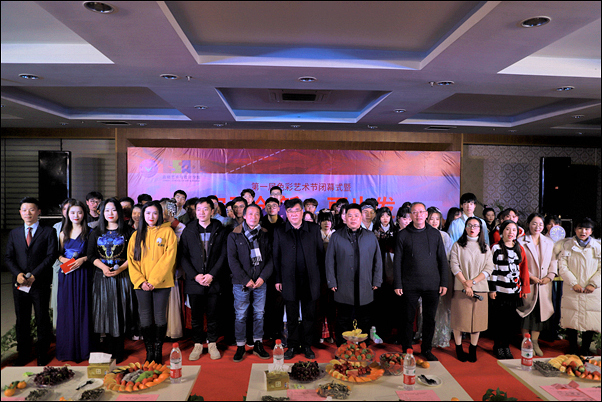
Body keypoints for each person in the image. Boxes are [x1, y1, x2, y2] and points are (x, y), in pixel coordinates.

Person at [394, 202, 449, 361]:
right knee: (408, 318)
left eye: (421, 212)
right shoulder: (403, 235)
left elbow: (442, 260)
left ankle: (426, 349)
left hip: (432, 283)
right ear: (411, 215)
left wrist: (444, 282)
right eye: (415, 212)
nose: (418, 215)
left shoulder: (435, 234)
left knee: (430, 318)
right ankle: (407, 348)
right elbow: (397, 261)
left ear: (426, 214)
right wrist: (398, 283)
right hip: (409, 283)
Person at [6, 197, 57, 366]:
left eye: (32, 209)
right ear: (20, 212)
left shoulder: (48, 232)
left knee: (42, 318)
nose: (28, 213)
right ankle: (23, 354)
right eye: (24, 210)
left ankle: (42, 353)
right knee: (22, 319)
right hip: (19, 283)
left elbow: (51, 256)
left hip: (40, 282)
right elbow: (8, 257)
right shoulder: (14, 233)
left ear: (38, 212)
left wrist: (34, 275)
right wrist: (18, 274)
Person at [127, 201, 177, 364]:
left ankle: (158, 350)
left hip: (161, 283)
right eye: (148, 213)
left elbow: (169, 259)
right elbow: (131, 261)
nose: (151, 216)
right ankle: (149, 351)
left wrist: (154, 280)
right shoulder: (136, 235)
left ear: (160, 215)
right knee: (145, 318)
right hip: (141, 284)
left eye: (155, 213)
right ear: (143, 215)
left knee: (160, 317)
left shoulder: (168, 232)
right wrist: (141, 281)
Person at [274, 199, 325, 359]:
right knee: (291, 316)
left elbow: (320, 254)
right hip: (289, 280)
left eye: (296, 210)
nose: (294, 214)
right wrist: (278, 279)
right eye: (290, 211)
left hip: (310, 279)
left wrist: (321, 278)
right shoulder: (280, 230)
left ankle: (307, 345)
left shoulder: (313, 229)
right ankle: (292, 346)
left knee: (309, 315)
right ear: (286, 213)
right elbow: (276, 256)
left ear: (302, 212)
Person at [326, 203, 382, 346]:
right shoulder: (336, 236)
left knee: (365, 320)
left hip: (365, 285)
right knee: (343, 320)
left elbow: (378, 260)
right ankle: (342, 348)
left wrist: (377, 280)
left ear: (361, 217)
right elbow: (329, 261)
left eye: (356, 215)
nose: (353, 218)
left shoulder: (370, 236)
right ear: (344, 218)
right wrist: (332, 281)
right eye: (349, 215)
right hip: (343, 285)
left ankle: (363, 348)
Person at [87, 198, 136, 363]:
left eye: (113, 210)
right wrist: (103, 267)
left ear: (119, 212)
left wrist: (120, 269)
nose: (110, 213)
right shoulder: (96, 232)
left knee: (120, 311)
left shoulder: (128, 231)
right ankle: (108, 349)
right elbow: (91, 255)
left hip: (122, 276)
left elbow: (134, 255)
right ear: (102, 213)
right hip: (102, 277)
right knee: (105, 312)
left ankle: (119, 350)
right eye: (107, 210)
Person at [180, 198, 229, 360]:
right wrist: (195, 275)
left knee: (214, 314)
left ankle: (213, 343)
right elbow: (183, 256)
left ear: (212, 211)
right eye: (199, 209)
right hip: (195, 281)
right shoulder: (188, 230)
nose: (202, 212)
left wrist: (212, 274)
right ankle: (198, 344)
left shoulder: (220, 229)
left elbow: (224, 255)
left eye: (205, 209)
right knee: (196, 316)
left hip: (214, 279)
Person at [227, 203, 273, 362]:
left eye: (257, 214)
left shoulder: (265, 234)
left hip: (260, 281)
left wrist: (262, 277)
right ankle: (240, 345)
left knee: (259, 314)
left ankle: (258, 343)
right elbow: (232, 261)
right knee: (240, 315)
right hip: (241, 283)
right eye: (251, 214)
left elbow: (271, 259)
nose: (254, 217)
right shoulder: (234, 235)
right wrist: (246, 279)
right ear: (245, 216)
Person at [449, 217, 494, 363]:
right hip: (460, 288)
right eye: (469, 225)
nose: (472, 228)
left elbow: (489, 268)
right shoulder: (457, 245)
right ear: (465, 228)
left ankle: (473, 348)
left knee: (477, 321)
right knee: (459, 319)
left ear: (480, 229)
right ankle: (458, 348)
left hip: (480, 288)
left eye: (475, 226)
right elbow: (454, 266)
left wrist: (473, 282)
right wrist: (465, 284)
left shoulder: (485, 247)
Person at [556, 217, 600, 355]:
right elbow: (562, 266)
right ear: (575, 229)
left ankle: (585, 348)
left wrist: (593, 284)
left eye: (587, 229)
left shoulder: (598, 246)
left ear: (591, 231)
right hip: (572, 288)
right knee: (571, 317)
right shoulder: (566, 245)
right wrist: (573, 283)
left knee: (590, 318)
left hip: (592, 290)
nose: (583, 231)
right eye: (580, 228)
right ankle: (573, 348)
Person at [516, 213, 558, 356]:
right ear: (528, 224)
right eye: (534, 223)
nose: (537, 227)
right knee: (526, 312)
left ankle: (535, 342)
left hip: (543, 284)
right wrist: (529, 277)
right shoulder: (521, 241)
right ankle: (525, 340)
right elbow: (518, 262)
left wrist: (550, 276)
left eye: (540, 224)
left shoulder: (549, 242)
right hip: (528, 282)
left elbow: (553, 261)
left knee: (540, 313)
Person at [488, 220, 530, 359]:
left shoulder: (519, 248)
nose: (511, 232)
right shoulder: (495, 248)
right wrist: (492, 289)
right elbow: (492, 270)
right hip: (500, 291)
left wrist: (523, 289)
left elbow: (523, 270)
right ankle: (498, 346)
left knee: (510, 321)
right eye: (507, 229)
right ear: (502, 232)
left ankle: (506, 346)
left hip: (514, 292)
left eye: (514, 230)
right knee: (499, 320)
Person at [56, 200, 91, 362]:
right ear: (67, 214)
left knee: (83, 309)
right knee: (66, 309)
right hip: (67, 274)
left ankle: (84, 350)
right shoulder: (63, 233)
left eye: (79, 212)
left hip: (83, 273)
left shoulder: (90, 232)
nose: (76, 215)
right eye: (72, 212)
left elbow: (92, 254)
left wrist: (83, 259)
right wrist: (63, 260)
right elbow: (58, 254)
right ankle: (67, 350)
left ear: (84, 214)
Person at [427, 207, 453, 349]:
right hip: (427, 275)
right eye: (431, 219)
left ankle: (441, 336)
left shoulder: (445, 236)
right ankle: (426, 335)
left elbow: (448, 257)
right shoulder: (423, 234)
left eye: (437, 219)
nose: (434, 221)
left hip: (442, 273)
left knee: (442, 306)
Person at [372, 206, 399, 342]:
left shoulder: (396, 231)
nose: (385, 218)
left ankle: (391, 331)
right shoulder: (374, 232)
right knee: (380, 302)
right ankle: (380, 330)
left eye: (387, 215)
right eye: (382, 216)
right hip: (378, 270)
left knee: (392, 303)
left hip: (392, 271)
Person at [51, 198, 76, 331]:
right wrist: (62, 260)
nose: (68, 212)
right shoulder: (56, 227)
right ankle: (60, 329)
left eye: (71, 208)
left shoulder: (84, 227)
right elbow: (53, 250)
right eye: (65, 209)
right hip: (60, 268)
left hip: (79, 268)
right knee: (60, 299)